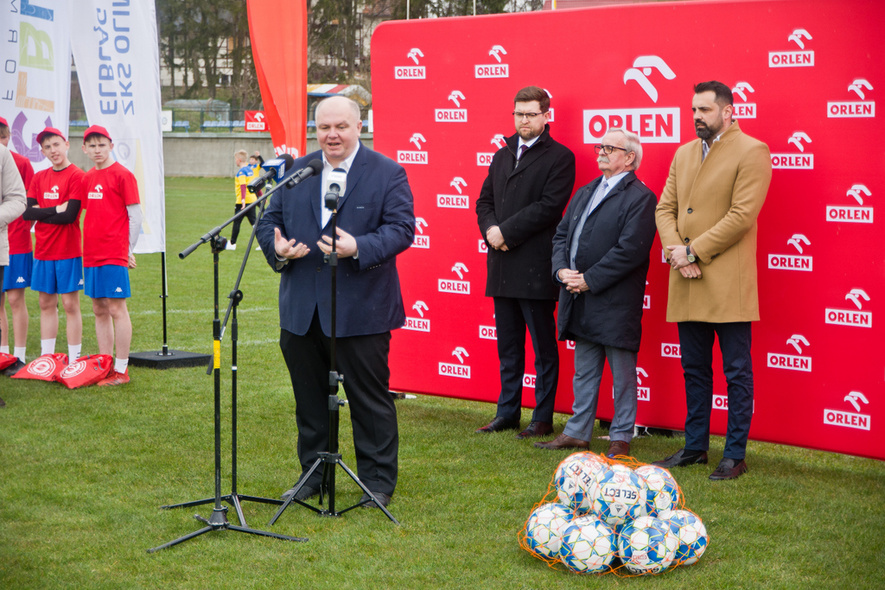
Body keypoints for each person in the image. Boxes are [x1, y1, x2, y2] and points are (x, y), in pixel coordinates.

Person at [255, 96, 414, 509]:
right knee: (308, 400)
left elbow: (402, 229)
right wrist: (276, 246)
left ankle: (376, 483)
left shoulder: (387, 172)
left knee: (369, 399)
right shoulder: (299, 169)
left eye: (341, 126)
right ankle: (313, 476)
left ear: (359, 126)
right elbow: (270, 218)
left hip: (362, 310)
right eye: (324, 127)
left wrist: (357, 245)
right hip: (301, 311)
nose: (331, 135)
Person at [653, 81, 771, 481]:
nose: (697, 117)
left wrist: (693, 251)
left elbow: (741, 215)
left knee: (736, 371)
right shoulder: (683, 152)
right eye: (693, 111)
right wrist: (677, 252)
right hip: (686, 277)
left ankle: (734, 454)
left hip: (725, 282)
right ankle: (694, 447)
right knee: (694, 368)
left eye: (704, 110)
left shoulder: (752, 150)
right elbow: (664, 209)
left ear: (729, 111)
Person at [535, 129, 657, 457]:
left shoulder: (642, 197)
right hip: (578, 296)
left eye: (609, 148)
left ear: (629, 157)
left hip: (614, 300)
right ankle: (577, 432)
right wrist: (562, 272)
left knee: (622, 374)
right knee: (585, 370)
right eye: (599, 147)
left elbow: (630, 250)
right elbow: (561, 236)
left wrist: (589, 279)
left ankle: (620, 437)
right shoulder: (586, 190)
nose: (600, 152)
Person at [475, 85, 576, 439]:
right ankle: (508, 412)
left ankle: (542, 417)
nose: (524, 120)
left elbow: (548, 208)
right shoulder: (502, 154)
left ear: (546, 116)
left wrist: (505, 233)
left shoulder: (560, 157)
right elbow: (483, 200)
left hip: (534, 266)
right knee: (509, 346)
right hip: (501, 265)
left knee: (543, 348)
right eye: (519, 114)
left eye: (531, 114)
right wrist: (490, 230)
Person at [80, 125, 143, 385]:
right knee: (98, 308)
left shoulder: (123, 175)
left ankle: (121, 370)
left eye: (101, 145)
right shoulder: (86, 178)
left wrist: (127, 249)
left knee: (117, 308)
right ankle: (104, 365)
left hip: (113, 252)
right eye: (92, 146)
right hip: (91, 253)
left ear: (111, 146)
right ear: (84, 149)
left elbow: (135, 216)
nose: (97, 150)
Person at [22, 128, 85, 362]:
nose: (53, 150)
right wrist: (56, 208)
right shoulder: (39, 177)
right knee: (45, 303)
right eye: (47, 147)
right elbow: (27, 213)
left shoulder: (77, 175)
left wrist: (43, 213)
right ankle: (47, 358)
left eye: (56, 144)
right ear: (42, 151)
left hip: (68, 251)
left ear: (66, 144)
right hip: (43, 251)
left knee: (69, 304)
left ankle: (74, 358)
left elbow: (69, 216)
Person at [0, 116, 35, 376]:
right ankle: (3, 353)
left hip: (17, 239)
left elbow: (25, 202)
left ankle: (18, 355)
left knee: (15, 299)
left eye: (3, 136)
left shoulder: (20, 162)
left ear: (9, 136)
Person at [0, 139, 27, 403]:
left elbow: (21, 200)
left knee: (9, 304)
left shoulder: (6, 156)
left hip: (5, 246)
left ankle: (15, 356)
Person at [226, 149, 259, 251]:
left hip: (242, 202)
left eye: (235, 159)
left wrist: (243, 200)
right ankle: (263, 242)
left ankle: (232, 244)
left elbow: (243, 186)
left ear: (239, 160)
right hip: (252, 199)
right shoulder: (250, 170)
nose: (235, 161)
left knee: (237, 222)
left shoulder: (241, 172)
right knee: (254, 223)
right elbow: (255, 184)